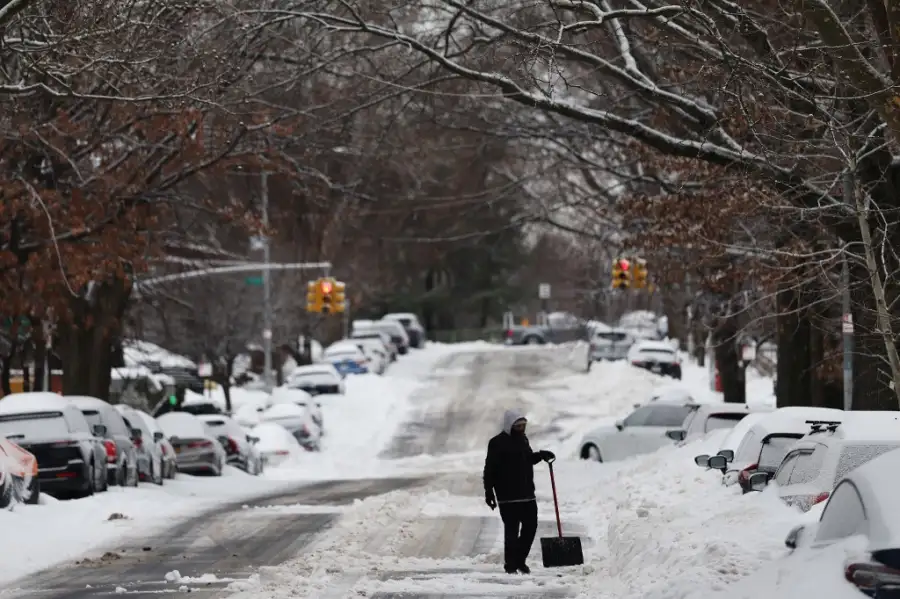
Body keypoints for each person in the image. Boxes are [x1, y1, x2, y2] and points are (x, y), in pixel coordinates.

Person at [483, 409, 555, 574]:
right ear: (510, 425)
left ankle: (520, 560)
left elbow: (527, 459)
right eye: (518, 425)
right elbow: (490, 470)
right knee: (512, 531)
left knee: (531, 527)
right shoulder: (496, 443)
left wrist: (540, 455)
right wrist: (489, 492)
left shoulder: (523, 440)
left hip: (527, 494)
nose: (522, 428)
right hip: (507, 497)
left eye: (524, 425)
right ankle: (511, 565)